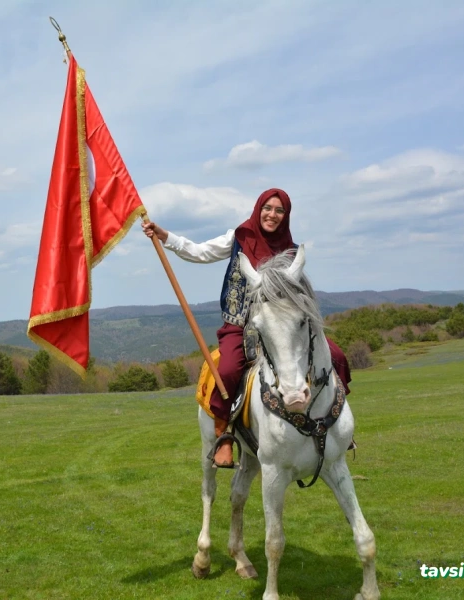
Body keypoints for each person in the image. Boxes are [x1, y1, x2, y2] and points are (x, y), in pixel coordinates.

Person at [142, 188, 352, 468]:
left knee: (336, 357)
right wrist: (164, 236)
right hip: (239, 325)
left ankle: (335, 427)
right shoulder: (238, 237)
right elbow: (200, 252)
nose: (272, 215)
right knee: (227, 370)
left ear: (285, 216)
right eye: (268, 208)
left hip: (280, 329)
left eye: (279, 211)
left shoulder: (290, 253)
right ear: (258, 209)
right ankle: (224, 435)